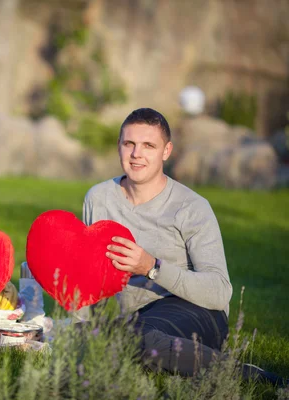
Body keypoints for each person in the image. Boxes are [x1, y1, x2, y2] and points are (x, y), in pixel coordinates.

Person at [77, 107, 285, 385]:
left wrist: (152, 267)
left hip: (197, 311)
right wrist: (80, 327)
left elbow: (219, 292)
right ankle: (175, 358)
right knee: (94, 339)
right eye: (129, 144)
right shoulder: (99, 198)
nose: (137, 154)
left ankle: (250, 375)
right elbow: (90, 276)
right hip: (137, 319)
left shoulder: (191, 207)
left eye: (148, 145)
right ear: (119, 147)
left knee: (134, 338)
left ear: (166, 151)